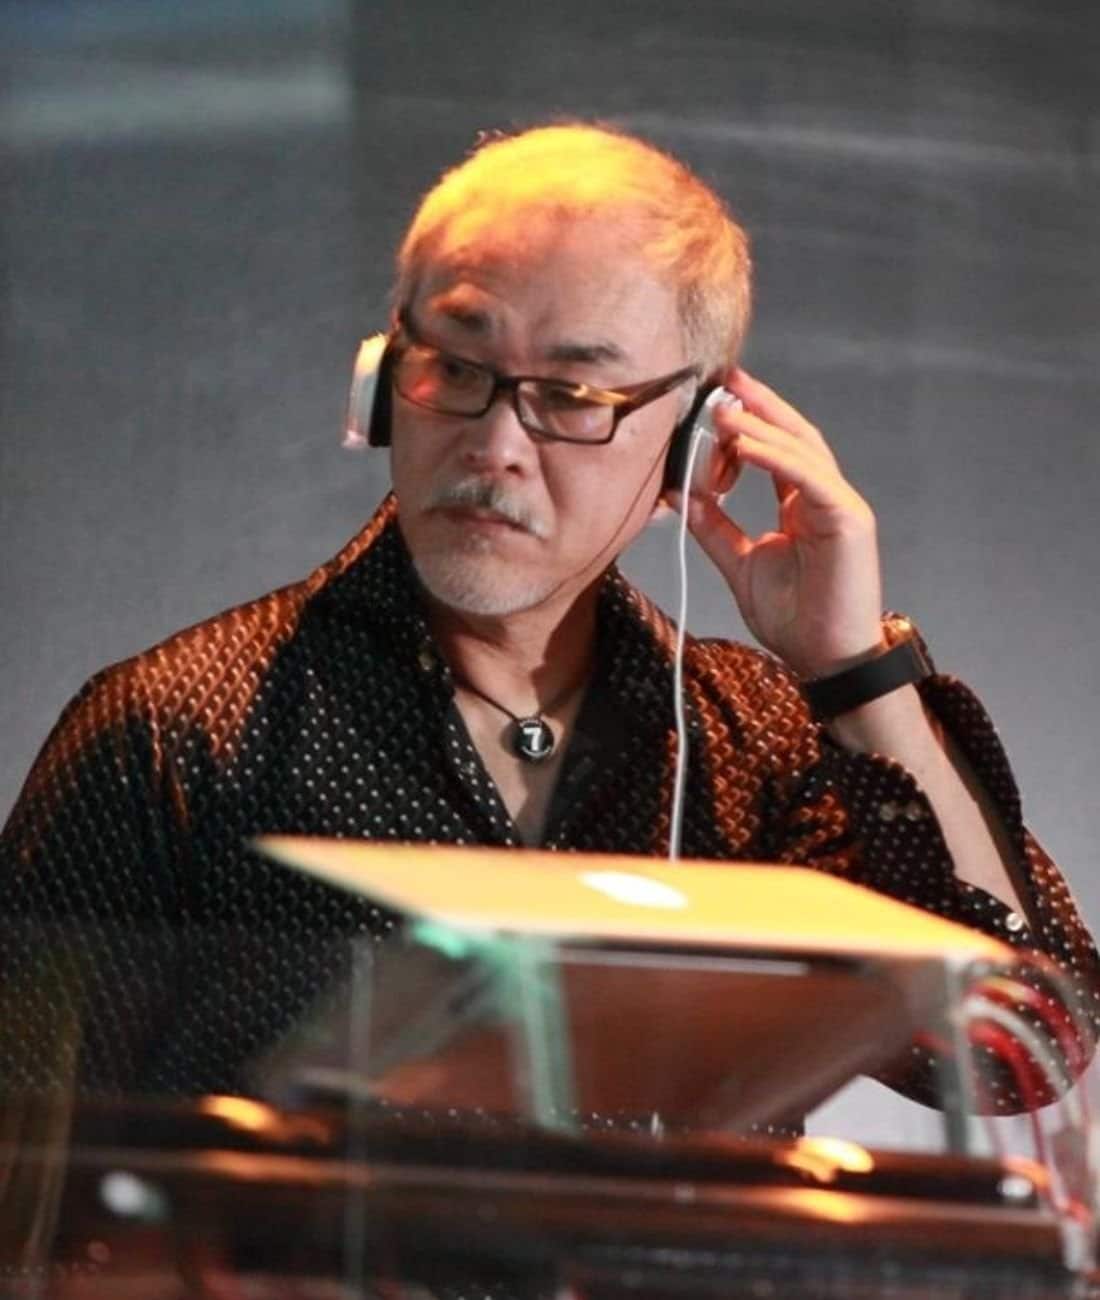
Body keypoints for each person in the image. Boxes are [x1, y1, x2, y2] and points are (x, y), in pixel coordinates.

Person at [1, 123, 1096, 1120]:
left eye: (572, 397)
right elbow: (23, 1166)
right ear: (381, 382)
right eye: (455, 367)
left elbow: (1016, 1055)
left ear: (698, 440)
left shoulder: (751, 740)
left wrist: (855, 673)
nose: (494, 445)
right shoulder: (175, 730)